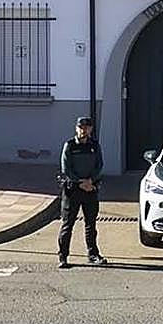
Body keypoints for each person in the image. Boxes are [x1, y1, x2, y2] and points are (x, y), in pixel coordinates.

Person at [57, 115, 106, 269]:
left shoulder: (94, 146)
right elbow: (66, 169)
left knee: (90, 224)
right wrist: (80, 182)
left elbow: (99, 165)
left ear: (90, 129)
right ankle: (63, 256)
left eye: (87, 127)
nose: (83, 130)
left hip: (90, 189)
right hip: (73, 190)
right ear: (76, 129)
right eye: (81, 127)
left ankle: (93, 254)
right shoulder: (70, 145)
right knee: (67, 224)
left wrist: (90, 181)